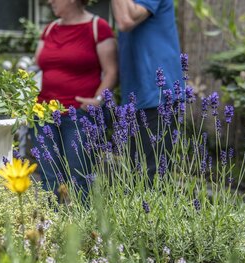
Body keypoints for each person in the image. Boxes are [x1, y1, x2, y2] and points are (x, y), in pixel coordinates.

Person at [32, 0, 118, 199]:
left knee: (81, 178)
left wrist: (97, 100)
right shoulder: (50, 29)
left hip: (79, 116)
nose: (50, 1)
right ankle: (51, 227)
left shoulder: (98, 27)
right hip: (43, 115)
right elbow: (37, 65)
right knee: (48, 177)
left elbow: (111, 71)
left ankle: (82, 228)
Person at [111, 0, 183, 181]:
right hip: (135, 96)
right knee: (133, 178)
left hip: (158, 94)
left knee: (152, 178)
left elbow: (125, 20)